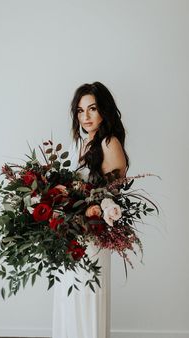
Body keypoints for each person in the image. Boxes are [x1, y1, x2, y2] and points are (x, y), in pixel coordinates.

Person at [52, 81, 129, 338]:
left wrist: (85, 202)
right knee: (68, 297)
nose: (85, 116)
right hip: (72, 234)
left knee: (86, 296)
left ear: (104, 111)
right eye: (80, 110)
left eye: (92, 109)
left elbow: (114, 192)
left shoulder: (109, 143)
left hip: (93, 235)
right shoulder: (82, 144)